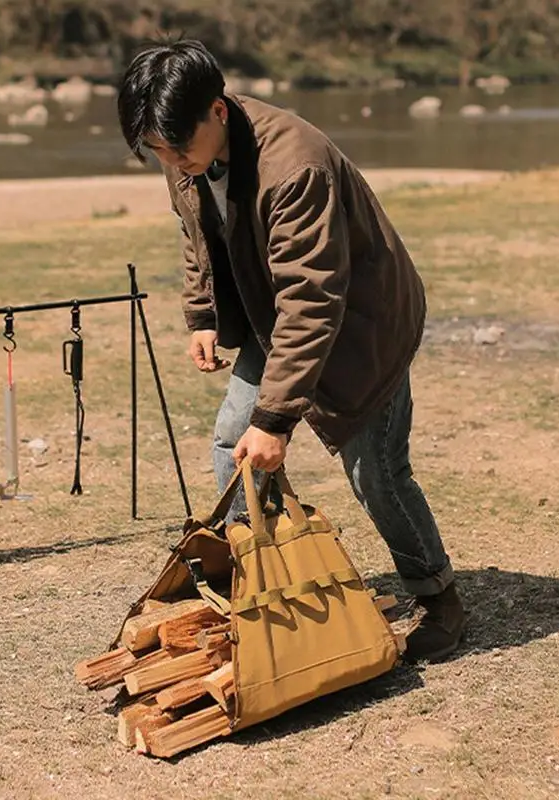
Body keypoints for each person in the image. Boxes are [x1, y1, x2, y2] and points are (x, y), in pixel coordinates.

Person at [117, 39, 464, 662]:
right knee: (233, 443)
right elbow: (195, 231)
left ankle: (438, 596)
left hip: (359, 325)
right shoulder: (183, 146)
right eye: (156, 151)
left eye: (176, 148)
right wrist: (201, 311)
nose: (169, 161)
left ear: (219, 112)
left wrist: (276, 418)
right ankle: (266, 583)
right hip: (269, 313)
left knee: (376, 474)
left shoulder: (294, 167)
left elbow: (313, 300)